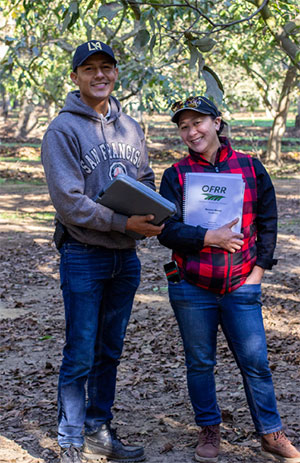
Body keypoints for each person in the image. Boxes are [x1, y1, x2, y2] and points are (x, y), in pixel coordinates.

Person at [158, 95, 300, 463]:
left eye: (198, 123)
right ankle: (209, 428)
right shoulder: (176, 175)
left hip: (241, 285)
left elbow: (269, 223)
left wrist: (258, 274)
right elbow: (166, 231)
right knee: (200, 362)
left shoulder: (251, 168)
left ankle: (271, 433)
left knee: (256, 362)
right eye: (183, 126)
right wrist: (208, 238)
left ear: (217, 123)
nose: (191, 132)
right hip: (192, 285)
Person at [41, 40, 163, 463]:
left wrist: (152, 213)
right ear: (75, 77)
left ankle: (98, 430)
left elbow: (144, 177)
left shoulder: (131, 127)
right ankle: (70, 439)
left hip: (125, 258)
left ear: (115, 73)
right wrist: (121, 222)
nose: (99, 75)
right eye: (89, 68)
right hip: (84, 254)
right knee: (80, 349)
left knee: (109, 350)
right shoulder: (62, 130)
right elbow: (69, 202)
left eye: (106, 67)